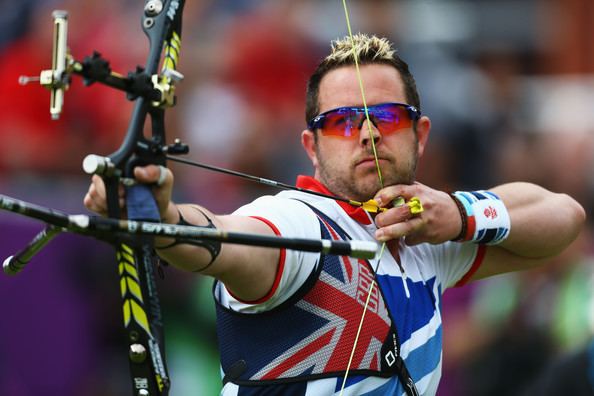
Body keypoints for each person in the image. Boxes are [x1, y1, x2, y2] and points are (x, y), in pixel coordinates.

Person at [84, 34, 586, 395]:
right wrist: (158, 213)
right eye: (342, 122)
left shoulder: (427, 235)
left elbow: (562, 217)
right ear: (311, 146)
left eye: (387, 117)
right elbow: (223, 238)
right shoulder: (297, 225)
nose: (368, 134)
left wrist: (457, 213)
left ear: (421, 134)